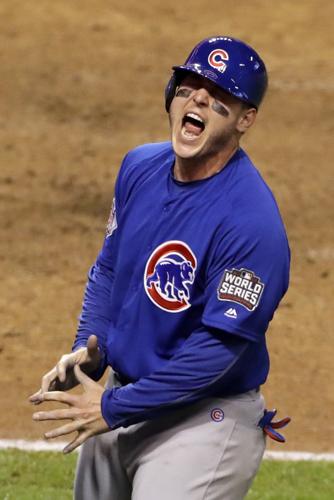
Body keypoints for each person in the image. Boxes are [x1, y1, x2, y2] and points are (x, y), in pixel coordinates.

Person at [30, 36, 291, 500]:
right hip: (121, 396)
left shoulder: (251, 222)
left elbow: (217, 352)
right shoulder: (138, 167)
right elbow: (110, 270)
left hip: (202, 421)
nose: (200, 98)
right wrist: (91, 352)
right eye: (190, 86)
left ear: (245, 120)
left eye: (221, 96)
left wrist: (113, 407)